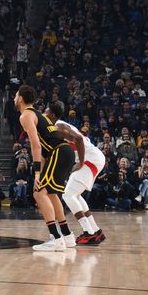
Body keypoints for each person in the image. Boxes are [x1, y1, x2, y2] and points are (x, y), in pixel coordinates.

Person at [15, 85, 76, 252]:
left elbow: (35, 145)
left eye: (15, 95)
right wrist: (41, 172)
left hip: (58, 152)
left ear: (20, 98)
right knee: (51, 193)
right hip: (65, 152)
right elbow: (42, 148)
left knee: (38, 192)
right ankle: (67, 236)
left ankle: (56, 239)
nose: (14, 98)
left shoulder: (26, 115)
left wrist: (36, 173)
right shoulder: (38, 115)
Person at [45, 103, 106, 246]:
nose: (43, 115)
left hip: (90, 159)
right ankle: (96, 231)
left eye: (45, 112)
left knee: (68, 195)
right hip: (93, 157)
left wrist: (81, 162)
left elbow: (79, 139)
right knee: (75, 195)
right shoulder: (59, 126)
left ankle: (89, 233)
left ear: (53, 115)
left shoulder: (58, 127)